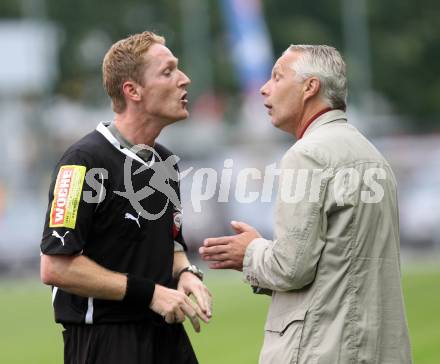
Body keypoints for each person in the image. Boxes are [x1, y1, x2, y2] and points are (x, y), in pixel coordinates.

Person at [200, 45, 412, 363]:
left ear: (310, 87)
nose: (263, 88)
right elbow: (340, 268)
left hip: (323, 347)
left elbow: (291, 267)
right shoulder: (374, 157)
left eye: (277, 77)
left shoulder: (307, 154)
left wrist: (250, 251)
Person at [40, 31, 211, 364]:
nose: (184, 79)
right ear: (132, 91)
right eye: (168, 71)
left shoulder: (165, 162)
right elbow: (56, 266)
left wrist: (188, 273)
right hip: (105, 341)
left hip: (166, 333)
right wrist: (149, 294)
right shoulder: (82, 162)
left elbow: (172, 246)